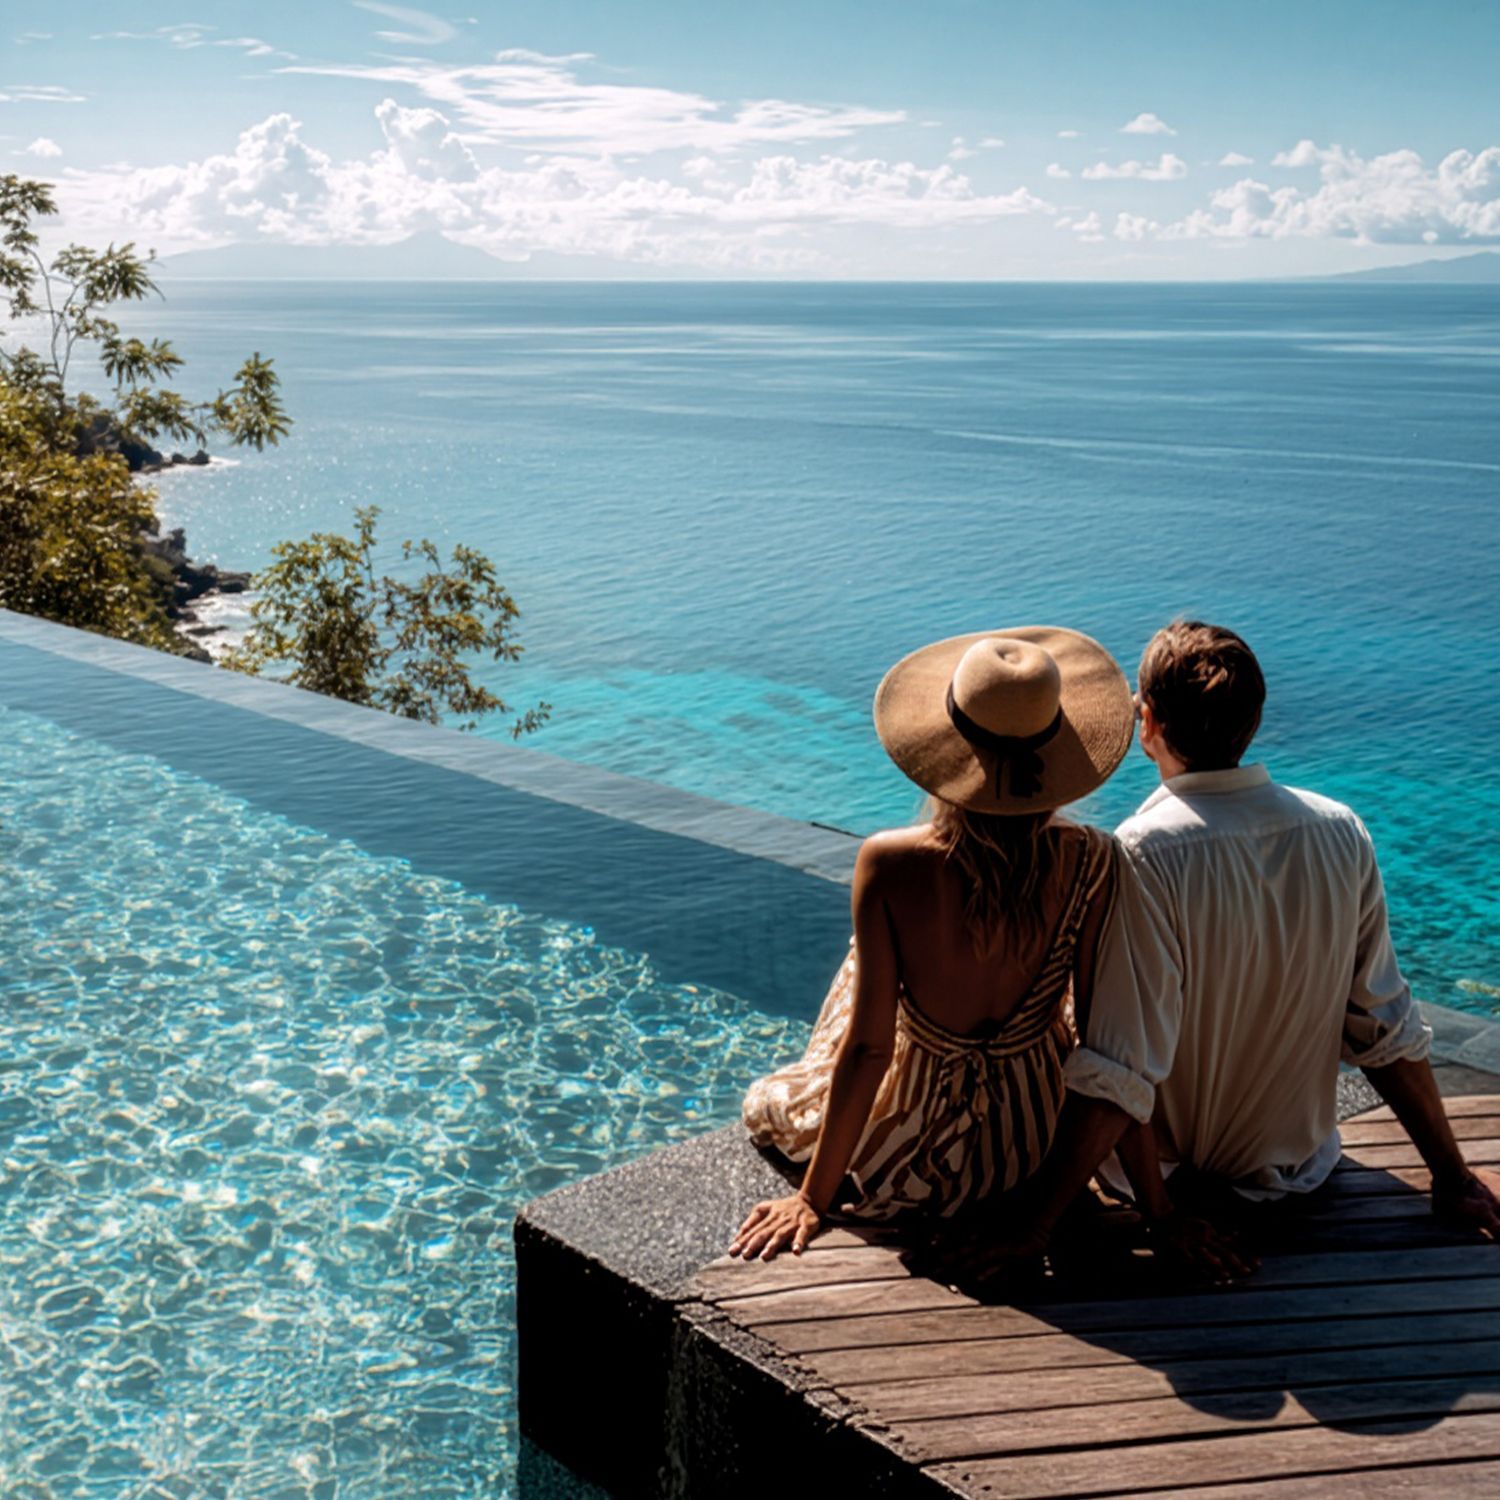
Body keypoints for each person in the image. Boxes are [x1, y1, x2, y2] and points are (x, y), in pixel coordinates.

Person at [956, 619, 1500, 1284]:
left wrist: (1034, 1227)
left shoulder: (1138, 855)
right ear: (1254, 719)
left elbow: (1121, 1064)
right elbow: (1384, 1027)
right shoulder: (1341, 830)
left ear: (1147, 720)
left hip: (1168, 1180)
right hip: (1304, 1172)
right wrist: (1451, 1174)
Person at [728, 626, 1137, 1262]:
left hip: (907, 1140)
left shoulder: (889, 864)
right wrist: (1158, 1207)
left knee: (844, 996)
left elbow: (867, 1049)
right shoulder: (1092, 861)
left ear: (948, 753)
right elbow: (1102, 1038)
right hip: (1029, 1141)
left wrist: (812, 1197)